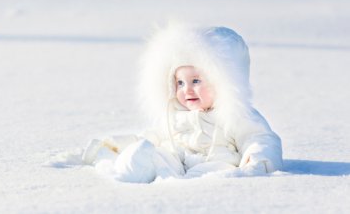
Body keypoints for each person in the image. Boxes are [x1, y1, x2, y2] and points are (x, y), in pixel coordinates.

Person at [82, 24, 283, 183]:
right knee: (154, 153)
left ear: (224, 83)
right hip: (176, 162)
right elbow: (152, 136)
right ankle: (130, 171)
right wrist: (116, 145)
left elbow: (259, 138)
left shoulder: (236, 115)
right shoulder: (175, 113)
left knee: (218, 170)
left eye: (196, 81)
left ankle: (188, 189)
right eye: (180, 82)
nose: (186, 90)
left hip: (215, 164)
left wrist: (257, 159)